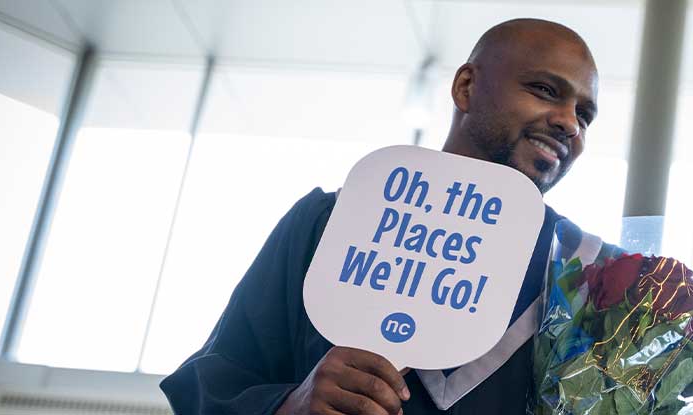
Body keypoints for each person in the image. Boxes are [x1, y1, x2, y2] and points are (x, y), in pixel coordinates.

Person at [159, 18, 599, 414]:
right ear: (466, 87)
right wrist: (288, 406)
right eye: (544, 90)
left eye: (585, 114)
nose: (569, 124)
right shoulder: (326, 221)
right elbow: (217, 379)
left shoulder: (583, 278)